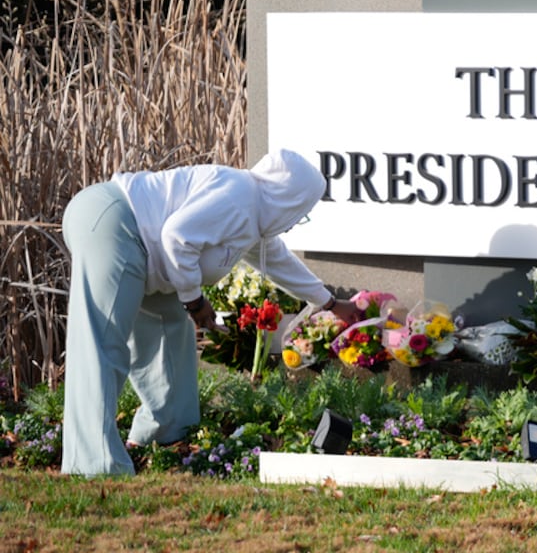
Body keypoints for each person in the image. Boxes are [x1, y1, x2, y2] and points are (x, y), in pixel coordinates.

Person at [60, 149, 360, 476]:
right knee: (102, 344)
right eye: (301, 211)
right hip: (113, 223)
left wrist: (332, 304)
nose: (296, 220)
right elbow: (176, 236)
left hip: (144, 252)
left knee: (171, 334)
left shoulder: (254, 215)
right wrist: (194, 301)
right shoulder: (240, 195)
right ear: (289, 199)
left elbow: (280, 263)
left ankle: (167, 437)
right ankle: (93, 465)